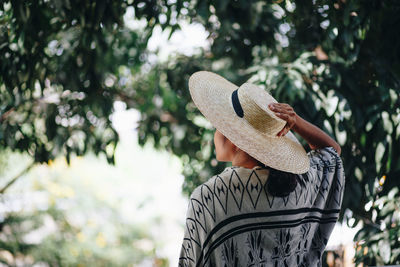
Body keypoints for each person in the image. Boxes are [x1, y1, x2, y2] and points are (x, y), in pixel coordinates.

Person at [178, 71, 345, 267]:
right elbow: (331, 151)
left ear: (236, 140)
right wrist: (295, 121)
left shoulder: (210, 197)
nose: (216, 131)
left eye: (220, 126)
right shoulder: (300, 183)